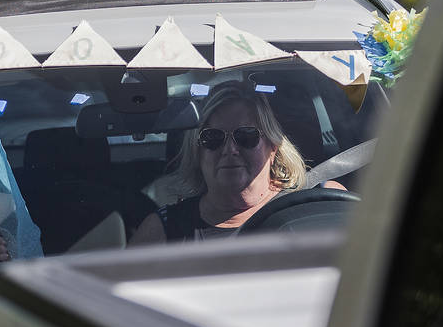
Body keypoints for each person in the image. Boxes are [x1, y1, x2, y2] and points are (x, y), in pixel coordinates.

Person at [130, 80, 343, 243]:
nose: (230, 150)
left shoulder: (322, 203)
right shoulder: (163, 230)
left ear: (273, 146)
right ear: (197, 151)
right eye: (212, 138)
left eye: (246, 136)